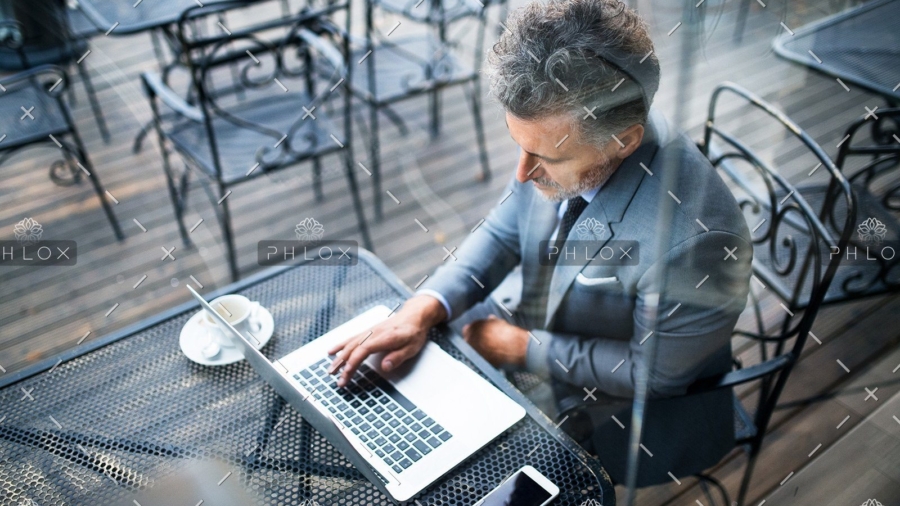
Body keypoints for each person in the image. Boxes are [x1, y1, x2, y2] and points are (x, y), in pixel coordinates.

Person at [328, 0, 752, 487]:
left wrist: (523, 348)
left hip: (626, 420)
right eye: (517, 144)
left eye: (545, 158)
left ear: (624, 141)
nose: (521, 174)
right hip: (537, 318)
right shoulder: (565, 134)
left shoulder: (695, 244)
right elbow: (505, 227)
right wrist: (422, 308)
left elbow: (654, 376)